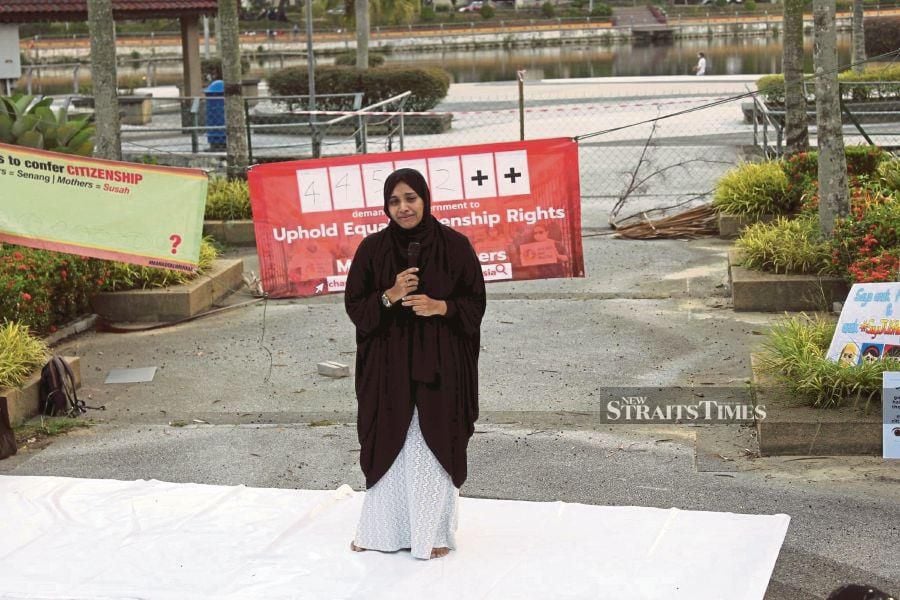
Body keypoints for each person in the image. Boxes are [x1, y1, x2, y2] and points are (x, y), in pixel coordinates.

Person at [344, 168, 486, 560]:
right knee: (388, 443)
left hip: (439, 368)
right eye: (394, 201)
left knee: (433, 443)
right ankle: (379, 532)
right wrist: (389, 295)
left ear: (425, 199)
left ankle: (432, 533)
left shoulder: (455, 247)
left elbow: (475, 304)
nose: (403, 208)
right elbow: (356, 307)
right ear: (386, 206)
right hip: (387, 370)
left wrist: (440, 307)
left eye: (410, 198)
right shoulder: (372, 250)